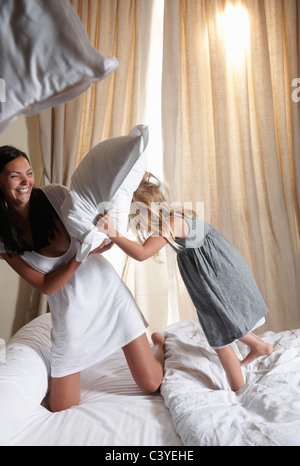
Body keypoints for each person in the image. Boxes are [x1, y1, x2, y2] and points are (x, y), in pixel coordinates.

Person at [0, 147, 165, 412]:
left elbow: (95, 230)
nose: (26, 181)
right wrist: (80, 255)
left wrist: (103, 240)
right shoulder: (4, 237)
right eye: (15, 176)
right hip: (70, 312)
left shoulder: (54, 196)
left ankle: (160, 344)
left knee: (151, 383)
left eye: (29, 173)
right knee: (62, 407)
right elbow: (47, 286)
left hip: (107, 295)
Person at [97, 171, 273, 392]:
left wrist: (112, 233)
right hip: (216, 272)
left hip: (218, 276)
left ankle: (240, 391)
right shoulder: (176, 218)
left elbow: (142, 253)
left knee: (220, 337)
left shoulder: (173, 223)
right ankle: (259, 346)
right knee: (223, 322)